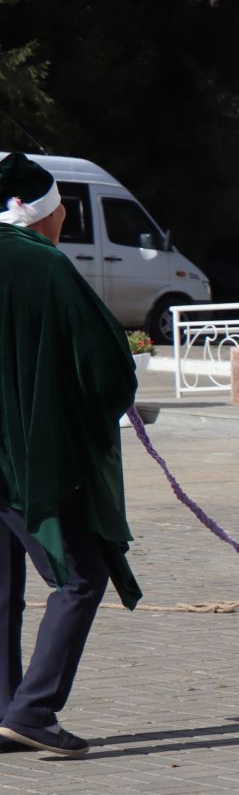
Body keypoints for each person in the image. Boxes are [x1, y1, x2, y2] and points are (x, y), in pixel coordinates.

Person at [0, 152, 142, 758]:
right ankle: (32, 710)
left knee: (1, 587)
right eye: (61, 208)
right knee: (83, 575)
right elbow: (107, 366)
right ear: (41, 213)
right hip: (29, 458)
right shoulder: (43, 266)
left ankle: (6, 707)